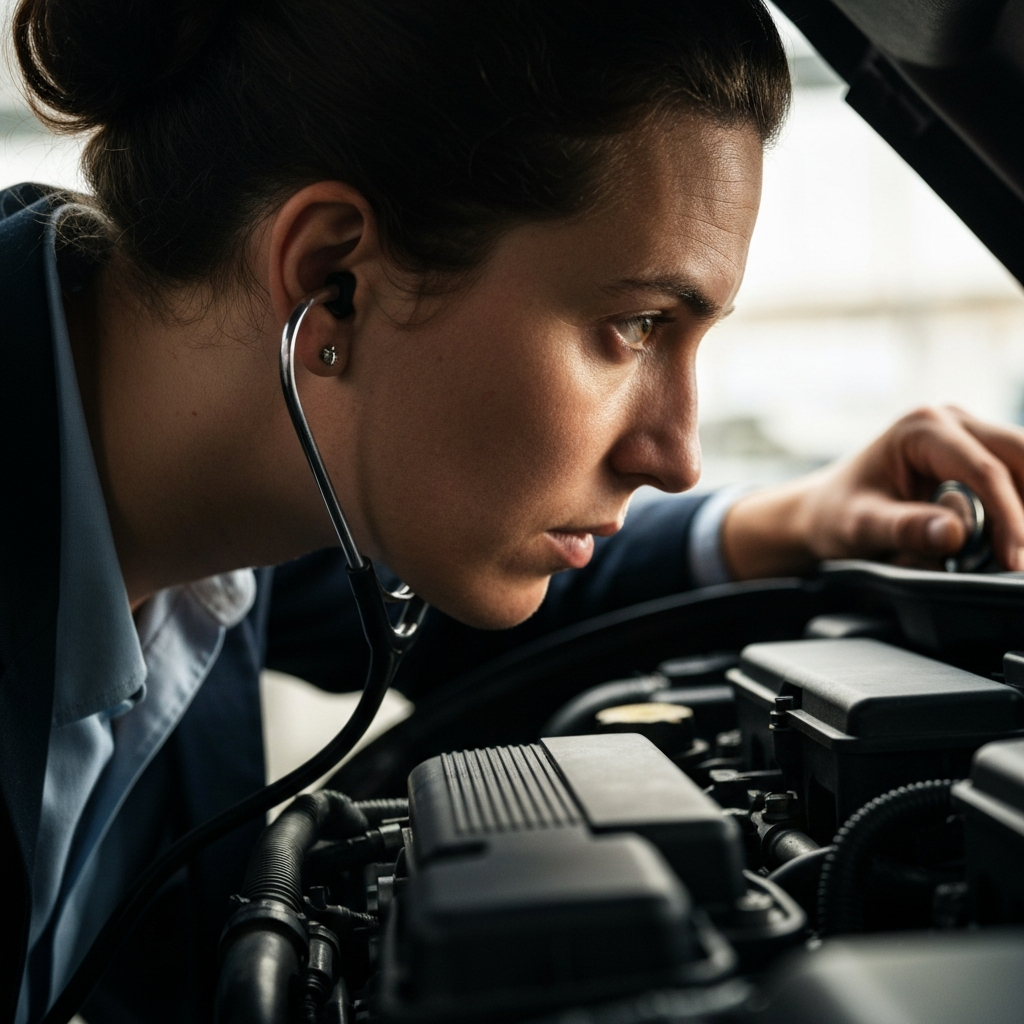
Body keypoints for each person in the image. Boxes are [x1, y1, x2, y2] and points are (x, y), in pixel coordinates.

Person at [4, 0, 1024, 1021]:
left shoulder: (244, 509)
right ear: (334, 278)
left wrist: (795, 520)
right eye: (633, 325)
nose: (676, 455)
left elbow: (491, 589)